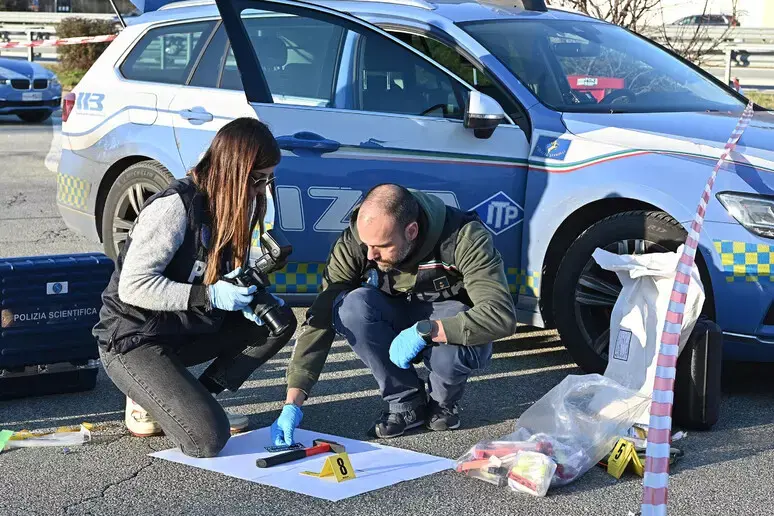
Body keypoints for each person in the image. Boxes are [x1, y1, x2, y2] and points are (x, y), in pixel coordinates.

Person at [93, 118, 297, 458]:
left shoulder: (233, 205)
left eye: (268, 179)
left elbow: (219, 272)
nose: (262, 189)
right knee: (207, 441)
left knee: (278, 321)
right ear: (234, 170)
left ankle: (196, 399)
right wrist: (211, 294)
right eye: (257, 179)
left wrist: (245, 291)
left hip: (183, 326)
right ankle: (153, 397)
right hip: (134, 337)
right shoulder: (174, 206)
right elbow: (133, 287)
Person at [270, 184, 517, 442]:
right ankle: (405, 401)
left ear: (411, 231)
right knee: (351, 306)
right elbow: (320, 316)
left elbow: (499, 315)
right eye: (367, 244)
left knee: (457, 317)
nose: (370, 254)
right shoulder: (359, 240)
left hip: (444, 323)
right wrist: (293, 401)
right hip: (395, 314)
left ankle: (443, 401)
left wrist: (428, 331)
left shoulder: (464, 237)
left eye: (382, 246)